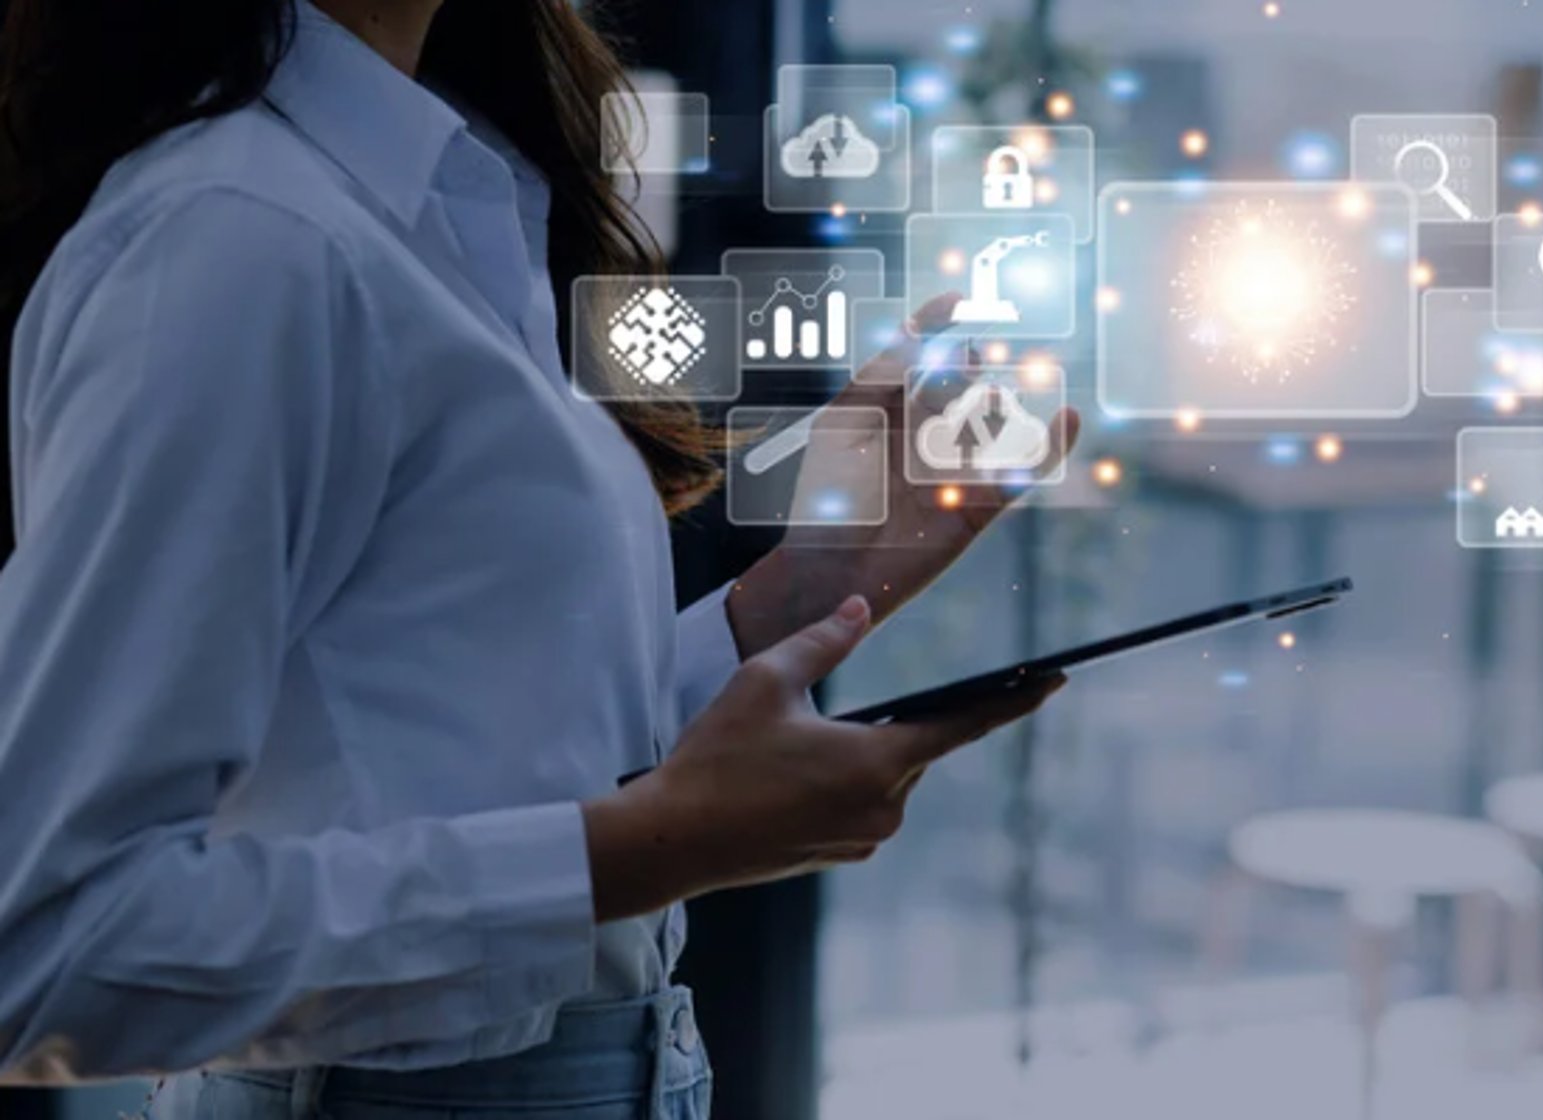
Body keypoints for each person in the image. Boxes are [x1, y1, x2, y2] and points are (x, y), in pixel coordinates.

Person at [0, 0, 1074, 1115]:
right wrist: (639, 853)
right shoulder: (239, 238)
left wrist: (805, 591)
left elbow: (457, 738)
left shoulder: (439, 192)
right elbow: (43, 948)